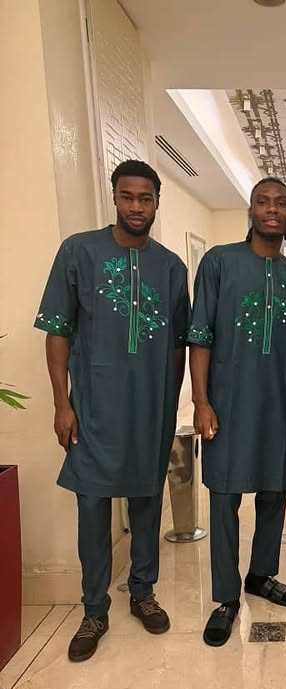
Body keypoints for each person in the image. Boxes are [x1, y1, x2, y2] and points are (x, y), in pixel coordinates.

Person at [35, 159, 190, 662]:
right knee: (92, 508)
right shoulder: (78, 252)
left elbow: (177, 345)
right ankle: (94, 609)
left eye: (146, 199)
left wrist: (170, 402)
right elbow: (58, 331)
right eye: (128, 197)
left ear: (157, 203)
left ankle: (143, 592)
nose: (137, 207)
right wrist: (63, 404)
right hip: (93, 409)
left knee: (147, 503)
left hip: (150, 408)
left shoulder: (171, 267)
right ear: (115, 198)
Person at [188, 177, 286, 647]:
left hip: (277, 405)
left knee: (273, 493)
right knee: (224, 499)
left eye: (281, 203)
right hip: (227, 404)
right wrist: (201, 402)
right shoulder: (219, 262)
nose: (272, 209)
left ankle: (261, 574)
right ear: (250, 209)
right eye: (263, 201)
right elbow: (199, 337)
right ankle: (225, 597)